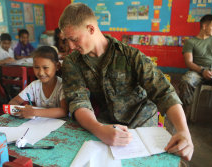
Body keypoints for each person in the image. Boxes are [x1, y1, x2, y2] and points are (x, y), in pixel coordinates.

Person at [59, 3, 193, 161]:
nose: (71, 46)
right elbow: (78, 100)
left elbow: (164, 91)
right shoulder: (72, 62)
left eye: (74, 39)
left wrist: (183, 131)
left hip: (143, 128)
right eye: (67, 40)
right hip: (107, 126)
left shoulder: (130, 56)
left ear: (91, 29)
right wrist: (99, 129)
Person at [178, 14, 212, 146]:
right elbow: (189, 62)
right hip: (197, 71)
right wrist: (202, 71)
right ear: (204, 25)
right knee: (186, 81)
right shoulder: (191, 42)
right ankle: (184, 117)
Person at [9, 46, 67, 119]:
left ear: (57, 66)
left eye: (45, 68)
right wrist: (21, 111)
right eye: (36, 67)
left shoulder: (62, 86)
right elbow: (14, 101)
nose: (41, 73)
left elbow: (63, 111)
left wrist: (34, 112)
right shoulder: (34, 86)